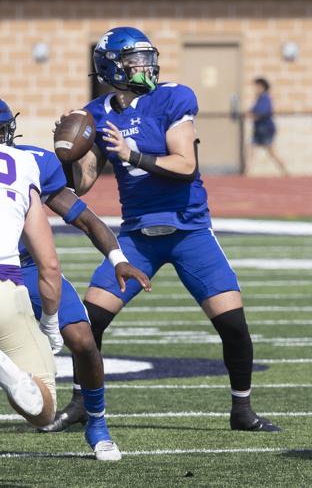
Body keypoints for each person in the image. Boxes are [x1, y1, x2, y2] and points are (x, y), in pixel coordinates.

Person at [46, 27, 280, 437]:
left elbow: (184, 164)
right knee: (88, 322)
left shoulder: (173, 97)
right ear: (110, 66)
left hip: (188, 230)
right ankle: (83, 401)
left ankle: (242, 409)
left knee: (232, 325)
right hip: (137, 237)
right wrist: (67, 155)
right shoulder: (97, 112)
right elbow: (82, 183)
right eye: (134, 60)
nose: (145, 66)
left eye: (146, 58)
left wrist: (131, 153)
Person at [0, 99, 151, 461]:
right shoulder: (28, 161)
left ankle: (97, 425)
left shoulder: (34, 162)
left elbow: (84, 217)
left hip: (27, 266)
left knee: (82, 338)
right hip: (19, 269)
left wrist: (117, 258)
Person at [0, 140, 61, 428]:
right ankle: (7, 372)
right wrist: (50, 322)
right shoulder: (24, 162)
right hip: (6, 290)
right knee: (43, 408)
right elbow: (48, 264)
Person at [245, 77, 288, 176]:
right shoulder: (259, 98)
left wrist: (252, 115)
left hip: (265, 129)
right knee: (251, 150)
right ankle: (247, 172)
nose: (254, 89)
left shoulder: (265, 98)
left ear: (262, 87)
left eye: (256, 86)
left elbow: (262, 112)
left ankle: (285, 171)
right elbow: (252, 110)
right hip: (258, 130)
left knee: (272, 152)